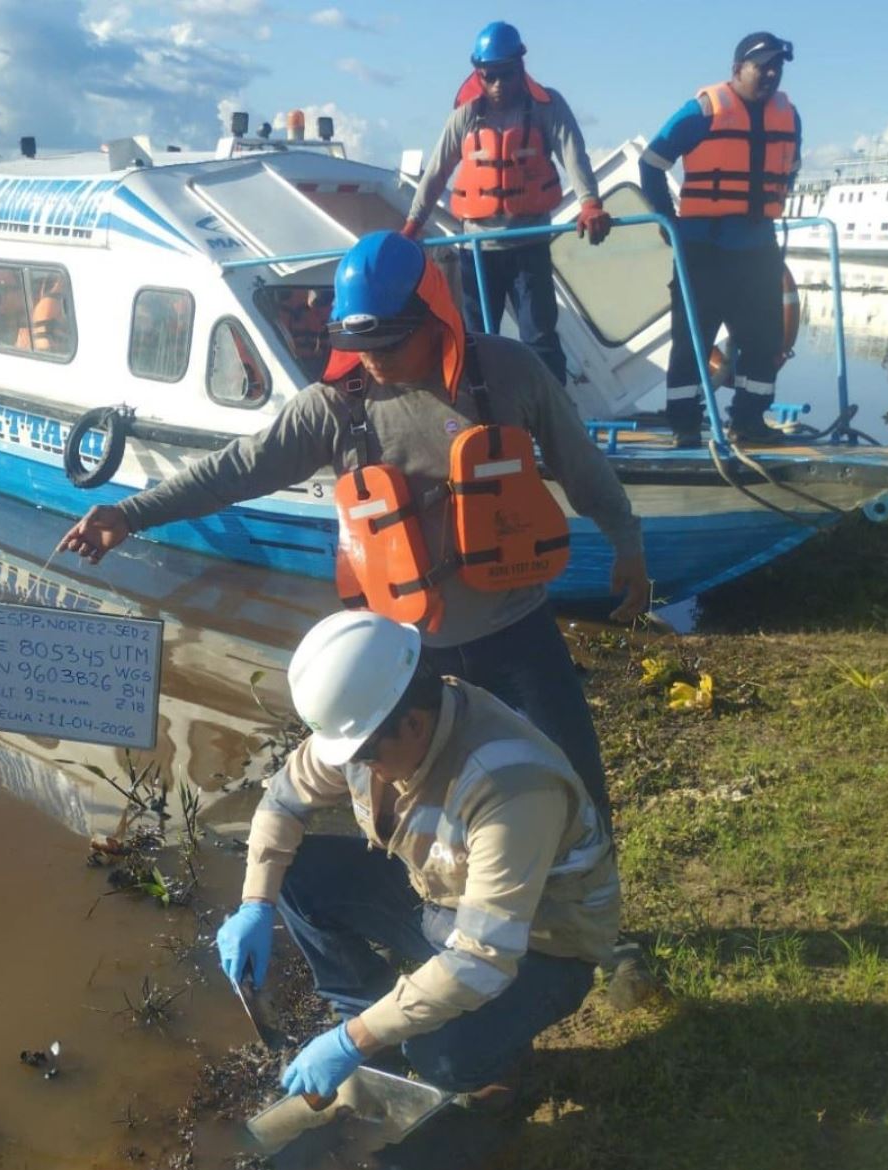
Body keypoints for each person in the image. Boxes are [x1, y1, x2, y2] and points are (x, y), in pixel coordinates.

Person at [58, 230, 646, 815]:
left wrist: (628, 544)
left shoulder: (509, 371)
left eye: (388, 342)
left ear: (433, 317)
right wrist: (130, 514)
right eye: (356, 341)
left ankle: (586, 898)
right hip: (406, 657)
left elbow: (581, 464)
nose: (372, 357)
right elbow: (237, 470)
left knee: (576, 787)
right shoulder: (336, 407)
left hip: (519, 634)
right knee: (422, 816)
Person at [215, 610, 620, 1102]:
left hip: (543, 942)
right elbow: (283, 800)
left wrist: (351, 1042)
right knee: (294, 873)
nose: (358, 768)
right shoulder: (377, 724)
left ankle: (504, 1074)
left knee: (440, 1057)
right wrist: (255, 904)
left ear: (413, 722)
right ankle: (363, 1009)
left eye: (366, 757)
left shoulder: (508, 788)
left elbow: (483, 958)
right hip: (440, 898)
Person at [400, 21, 611, 385]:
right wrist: (411, 227)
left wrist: (590, 203)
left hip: (528, 246)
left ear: (521, 67)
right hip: (475, 251)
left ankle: (550, 420)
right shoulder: (465, 116)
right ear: (478, 74)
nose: (498, 85)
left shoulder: (548, 107)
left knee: (539, 337)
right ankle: (482, 417)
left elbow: (574, 155)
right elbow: (436, 173)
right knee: (476, 340)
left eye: (507, 74)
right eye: (489, 76)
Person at [639, 32, 801, 449]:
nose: (770, 73)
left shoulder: (790, 117)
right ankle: (685, 426)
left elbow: (790, 169)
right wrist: (665, 219)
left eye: (776, 67)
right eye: (761, 65)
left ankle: (748, 421)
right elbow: (651, 163)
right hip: (702, 250)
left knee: (763, 341)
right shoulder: (701, 112)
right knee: (694, 340)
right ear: (736, 70)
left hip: (758, 249)